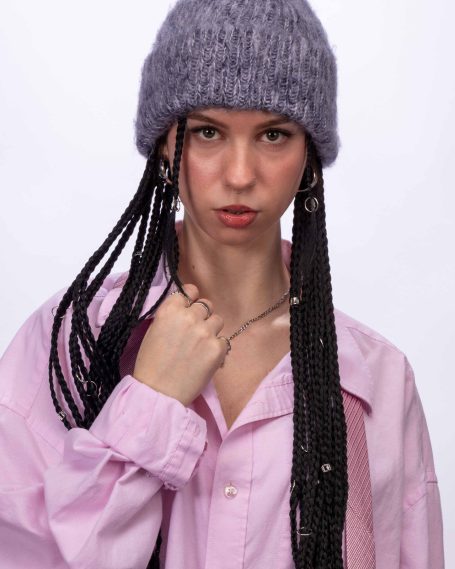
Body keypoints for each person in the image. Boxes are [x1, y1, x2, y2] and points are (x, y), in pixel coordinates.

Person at [0, 0, 444, 568]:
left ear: (309, 154)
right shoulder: (70, 345)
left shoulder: (374, 380)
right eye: (208, 131)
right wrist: (149, 408)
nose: (240, 174)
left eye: (274, 135)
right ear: (166, 144)